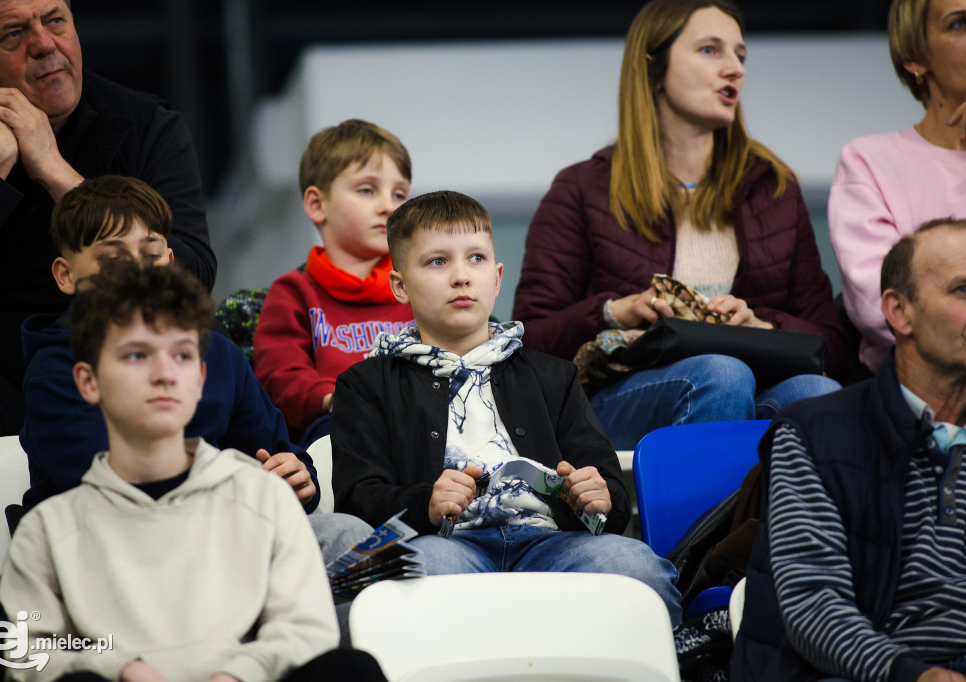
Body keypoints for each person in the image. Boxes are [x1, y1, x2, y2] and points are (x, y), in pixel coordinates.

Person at [0, 260, 387, 682]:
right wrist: (120, 668)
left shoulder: (264, 498)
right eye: (136, 355)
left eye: (182, 355)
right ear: (88, 381)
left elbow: (305, 629)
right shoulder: (48, 530)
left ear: (201, 377)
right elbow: (28, 654)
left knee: (350, 669)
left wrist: (240, 673)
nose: (164, 374)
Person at [331, 190, 683, 626]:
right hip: (443, 544)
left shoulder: (554, 376)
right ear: (400, 285)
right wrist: (426, 502)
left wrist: (599, 498)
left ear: (497, 278)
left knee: (639, 569)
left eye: (475, 259)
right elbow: (357, 503)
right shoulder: (364, 384)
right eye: (438, 262)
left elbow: (606, 490)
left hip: (551, 542)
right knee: (409, 574)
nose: (462, 276)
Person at [511, 0, 845, 451]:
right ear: (653, 66)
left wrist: (762, 325)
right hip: (616, 395)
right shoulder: (582, 187)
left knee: (818, 394)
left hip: (753, 380)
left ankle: (784, 526)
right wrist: (615, 311)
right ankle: (702, 526)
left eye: (740, 56)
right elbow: (529, 339)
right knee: (722, 374)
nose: (734, 69)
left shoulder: (774, 187)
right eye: (710, 50)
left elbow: (831, 339)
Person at [18, 175, 371, 565]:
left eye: (150, 255)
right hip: (115, 553)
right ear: (66, 275)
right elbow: (116, 490)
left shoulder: (218, 353)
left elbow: (275, 450)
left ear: (169, 263)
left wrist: (298, 478)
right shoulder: (55, 371)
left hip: (229, 534)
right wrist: (242, 489)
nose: (138, 271)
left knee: (350, 537)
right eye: (114, 258)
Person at [0, 0, 216, 470]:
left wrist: (55, 172)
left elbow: (190, 277)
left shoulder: (146, 126)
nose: (46, 44)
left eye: (55, 21)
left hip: (120, 391)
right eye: (14, 33)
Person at [733, 219, 966, 682]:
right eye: (963, 290)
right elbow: (814, 608)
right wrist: (914, 676)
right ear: (899, 312)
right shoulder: (815, 435)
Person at [254, 119, 414, 447]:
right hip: (335, 427)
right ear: (317, 204)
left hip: (421, 422)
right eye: (367, 189)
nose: (389, 205)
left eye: (399, 194)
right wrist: (331, 397)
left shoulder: (419, 286)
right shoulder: (293, 293)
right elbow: (279, 379)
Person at [828, 0, 966, 375]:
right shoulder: (869, 161)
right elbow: (881, 309)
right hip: (912, 402)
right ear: (914, 58)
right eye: (959, 24)